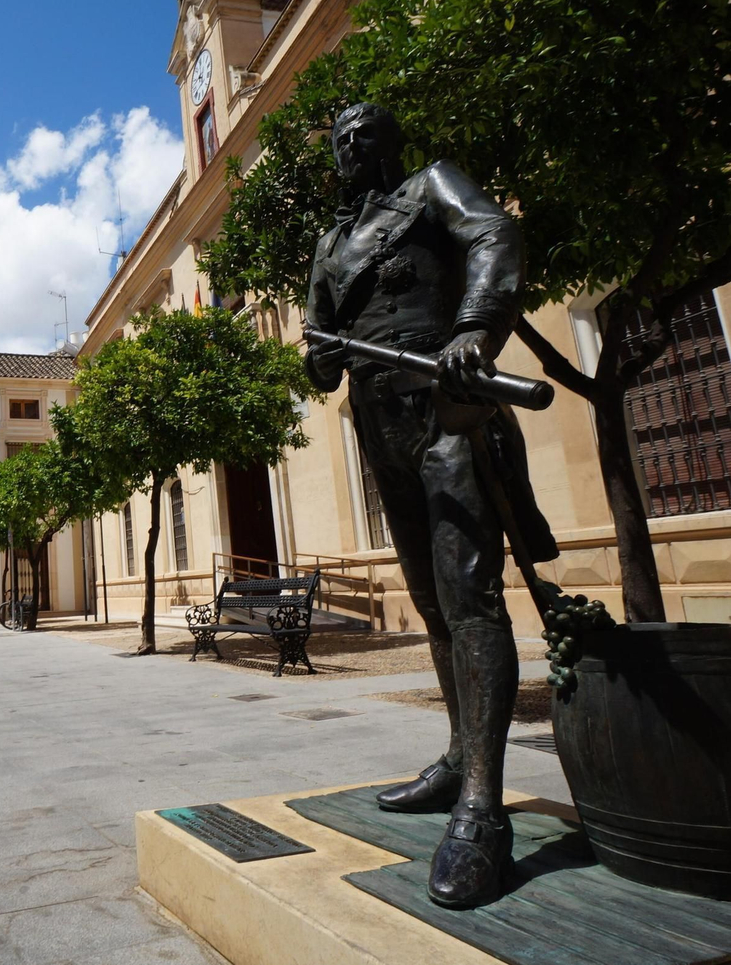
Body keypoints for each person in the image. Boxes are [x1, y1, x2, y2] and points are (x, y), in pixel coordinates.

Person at [303, 103, 558, 909]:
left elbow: (494, 235)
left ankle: (484, 810)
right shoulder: (330, 245)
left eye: (365, 134)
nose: (352, 147)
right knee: (431, 606)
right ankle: (457, 759)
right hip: (380, 429)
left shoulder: (431, 186)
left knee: (469, 597)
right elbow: (318, 350)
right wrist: (322, 354)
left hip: (449, 413)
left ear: (392, 143)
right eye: (342, 140)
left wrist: (476, 329)